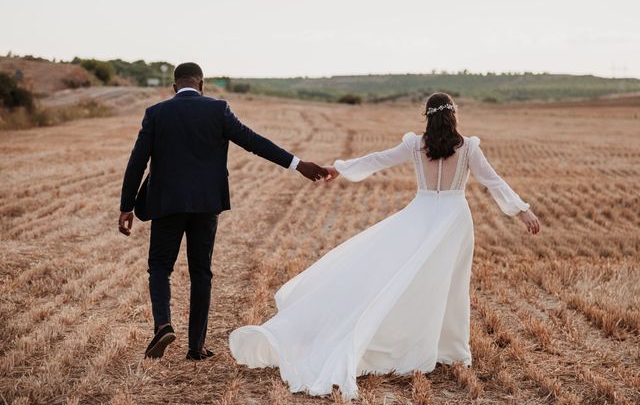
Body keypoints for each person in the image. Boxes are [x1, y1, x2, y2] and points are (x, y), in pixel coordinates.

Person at [228, 92, 540, 399]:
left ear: (427, 117)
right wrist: (521, 211)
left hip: (421, 214)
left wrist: (342, 168)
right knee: (451, 286)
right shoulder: (469, 147)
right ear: (454, 115)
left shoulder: (416, 145)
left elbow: (378, 160)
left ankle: (424, 344)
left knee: (410, 281)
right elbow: (493, 181)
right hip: (455, 219)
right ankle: (451, 350)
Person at [118, 62, 328, 361]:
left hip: (166, 204)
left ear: (174, 87)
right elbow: (254, 142)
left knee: (160, 267)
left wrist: (126, 206)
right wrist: (297, 164)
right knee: (201, 271)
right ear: (202, 85)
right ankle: (196, 346)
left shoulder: (156, 112)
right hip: (206, 204)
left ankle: (163, 324)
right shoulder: (218, 110)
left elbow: (137, 161)